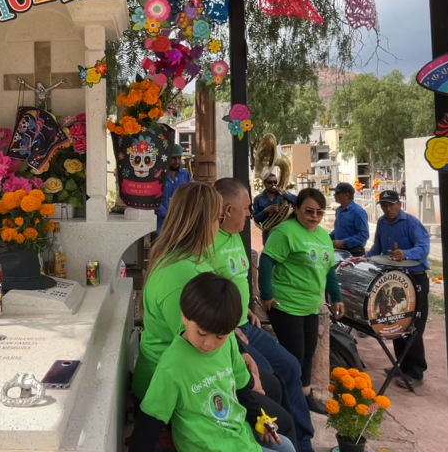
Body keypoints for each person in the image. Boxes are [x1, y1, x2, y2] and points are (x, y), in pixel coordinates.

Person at [132, 183, 297, 448]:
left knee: (273, 386)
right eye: (217, 219)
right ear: (203, 222)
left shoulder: (191, 257)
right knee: (282, 421)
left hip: (202, 366)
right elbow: (198, 344)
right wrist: (236, 368)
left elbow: (212, 330)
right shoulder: (180, 273)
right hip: (176, 382)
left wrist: (239, 353)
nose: (219, 226)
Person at [130, 273, 296, 452]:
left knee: (286, 446)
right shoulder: (173, 365)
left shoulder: (230, 343)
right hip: (208, 446)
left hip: (237, 435)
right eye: (201, 333)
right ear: (184, 317)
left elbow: (241, 389)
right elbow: (151, 419)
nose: (209, 344)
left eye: (219, 336)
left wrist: (258, 419)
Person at [214, 178, 318, 451]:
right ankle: (278, 438)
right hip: (230, 333)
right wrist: (225, 324)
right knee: (267, 377)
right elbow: (204, 294)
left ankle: (304, 441)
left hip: (245, 324)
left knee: (292, 366)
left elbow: (234, 278)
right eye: (246, 207)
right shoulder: (209, 241)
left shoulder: (236, 233)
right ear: (226, 210)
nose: (251, 213)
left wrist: (246, 306)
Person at [260, 188, 345, 414]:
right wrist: (266, 295)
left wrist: (336, 297)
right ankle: (288, 400)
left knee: (308, 352)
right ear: (296, 209)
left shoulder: (323, 236)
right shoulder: (285, 232)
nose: (314, 217)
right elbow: (267, 261)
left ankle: (305, 395)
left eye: (319, 212)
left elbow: (329, 271)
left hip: (311, 306)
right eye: (308, 211)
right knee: (293, 355)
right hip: (285, 304)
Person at [366, 190, 430, 389]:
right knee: (397, 323)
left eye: (391, 205)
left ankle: (416, 373)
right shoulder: (383, 224)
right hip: (395, 280)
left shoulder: (411, 222)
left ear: (399, 205)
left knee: (413, 326)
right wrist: (364, 259)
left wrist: (405, 253)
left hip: (415, 278)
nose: (387, 209)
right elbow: (377, 248)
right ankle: (401, 365)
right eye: (384, 205)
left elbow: (424, 246)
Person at [155, 144, 192, 234]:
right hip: (160, 226)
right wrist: (168, 214)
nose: (177, 161)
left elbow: (191, 195)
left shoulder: (185, 174)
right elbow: (153, 200)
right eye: (174, 158)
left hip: (181, 225)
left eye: (179, 158)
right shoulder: (157, 176)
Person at [253, 174, 297, 244]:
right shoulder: (258, 199)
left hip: (284, 230)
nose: (273, 185)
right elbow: (256, 219)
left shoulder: (283, 195)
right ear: (264, 183)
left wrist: (286, 195)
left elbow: (298, 202)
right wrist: (265, 211)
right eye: (270, 182)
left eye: (275, 182)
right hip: (268, 234)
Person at [330, 182, 369, 257]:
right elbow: (340, 229)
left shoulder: (358, 211)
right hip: (340, 251)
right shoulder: (339, 210)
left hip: (355, 252)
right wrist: (328, 237)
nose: (334, 195)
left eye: (337, 193)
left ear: (346, 195)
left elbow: (364, 235)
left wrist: (343, 242)